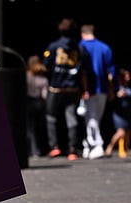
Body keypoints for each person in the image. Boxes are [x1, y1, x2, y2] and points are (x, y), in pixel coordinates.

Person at [42, 18, 88, 161]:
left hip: (56, 88)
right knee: (71, 118)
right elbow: (83, 71)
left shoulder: (54, 46)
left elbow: (46, 65)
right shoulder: (80, 49)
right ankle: (73, 149)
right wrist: (85, 89)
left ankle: (54, 147)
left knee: (51, 117)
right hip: (72, 88)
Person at [79, 24, 116, 160]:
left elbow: (81, 71)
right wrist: (113, 89)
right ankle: (88, 144)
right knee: (94, 118)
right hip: (102, 88)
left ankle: (96, 144)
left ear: (82, 34)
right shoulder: (104, 48)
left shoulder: (80, 47)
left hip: (87, 89)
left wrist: (84, 89)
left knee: (91, 118)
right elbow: (111, 72)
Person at [26, 55, 49, 157]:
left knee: (30, 128)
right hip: (39, 102)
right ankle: (39, 149)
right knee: (38, 128)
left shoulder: (26, 76)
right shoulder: (43, 77)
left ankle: (32, 150)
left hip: (28, 102)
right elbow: (45, 95)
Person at [105, 68, 131, 158]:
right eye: (126, 76)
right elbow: (110, 97)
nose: (128, 78)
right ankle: (110, 147)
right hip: (119, 113)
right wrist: (116, 94)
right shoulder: (116, 88)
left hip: (127, 113)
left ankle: (125, 150)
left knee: (127, 132)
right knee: (121, 132)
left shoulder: (127, 88)